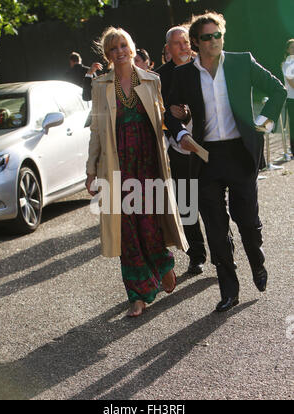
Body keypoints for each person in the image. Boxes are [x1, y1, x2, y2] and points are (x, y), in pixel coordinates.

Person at [165, 11, 287, 312]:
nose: (214, 41)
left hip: (239, 154)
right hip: (205, 158)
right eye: (207, 37)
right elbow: (170, 113)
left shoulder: (240, 62)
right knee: (216, 230)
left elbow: (278, 90)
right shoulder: (184, 75)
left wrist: (261, 122)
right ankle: (229, 290)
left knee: (247, 221)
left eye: (217, 34)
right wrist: (180, 132)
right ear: (196, 42)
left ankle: (257, 261)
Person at [85, 27, 188, 317]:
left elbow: (167, 119)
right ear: (107, 55)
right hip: (118, 165)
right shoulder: (100, 85)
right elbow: (96, 130)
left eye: (122, 46)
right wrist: (91, 170)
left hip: (149, 163)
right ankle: (138, 295)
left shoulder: (151, 80)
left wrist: (185, 119)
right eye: (113, 49)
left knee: (149, 221)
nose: (119, 52)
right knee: (127, 230)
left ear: (131, 48)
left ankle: (163, 264)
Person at [156, 26, 207, 276]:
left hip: (206, 144)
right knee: (187, 205)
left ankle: (222, 252)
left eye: (186, 41)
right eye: (177, 43)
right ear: (168, 48)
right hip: (177, 148)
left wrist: (188, 114)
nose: (184, 46)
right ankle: (196, 255)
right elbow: (157, 111)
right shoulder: (160, 77)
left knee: (212, 201)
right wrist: (171, 118)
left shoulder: (203, 66)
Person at [282, 39, 294, 157]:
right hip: (292, 99)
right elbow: (292, 83)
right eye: (292, 47)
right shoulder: (287, 64)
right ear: (287, 50)